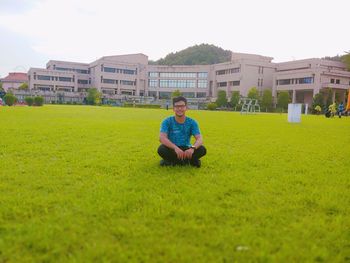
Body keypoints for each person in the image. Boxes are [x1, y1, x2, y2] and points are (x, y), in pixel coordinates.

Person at [158, 96, 206, 167]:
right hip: (172, 149)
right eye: (177, 106)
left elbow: (200, 139)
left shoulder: (192, 122)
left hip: (186, 148)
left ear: (186, 108)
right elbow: (162, 138)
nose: (179, 108)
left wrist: (192, 148)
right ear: (173, 108)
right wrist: (175, 148)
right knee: (161, 149)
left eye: (182, 106)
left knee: (202, 149)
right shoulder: (167, 121)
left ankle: (171, 162)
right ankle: (189, 161)